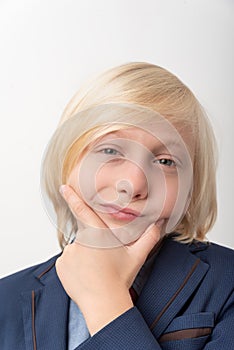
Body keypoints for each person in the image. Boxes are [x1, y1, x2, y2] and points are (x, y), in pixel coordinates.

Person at [0, 62, 233, 350]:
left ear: (191, 191)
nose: (133, 184)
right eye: (110, 150)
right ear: (67, 163)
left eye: (166, 162)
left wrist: (105, 300)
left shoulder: (227, 283)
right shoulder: (5, 300)